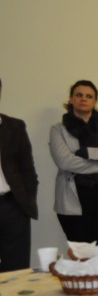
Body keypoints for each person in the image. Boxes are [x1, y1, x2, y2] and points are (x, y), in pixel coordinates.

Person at [50, 80, 98, 243]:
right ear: (71, 99)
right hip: (73, 201)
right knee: (80, 253)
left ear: (95, 101)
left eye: (89, 96)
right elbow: (65, 162)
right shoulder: (58, 130)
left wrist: (86, 153)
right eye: (79, 95)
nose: (83, 99)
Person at [0, 78, 39, 271]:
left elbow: (28, 170)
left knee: (16, 271)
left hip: (12, 206)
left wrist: (25, 200)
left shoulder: (14, 127)